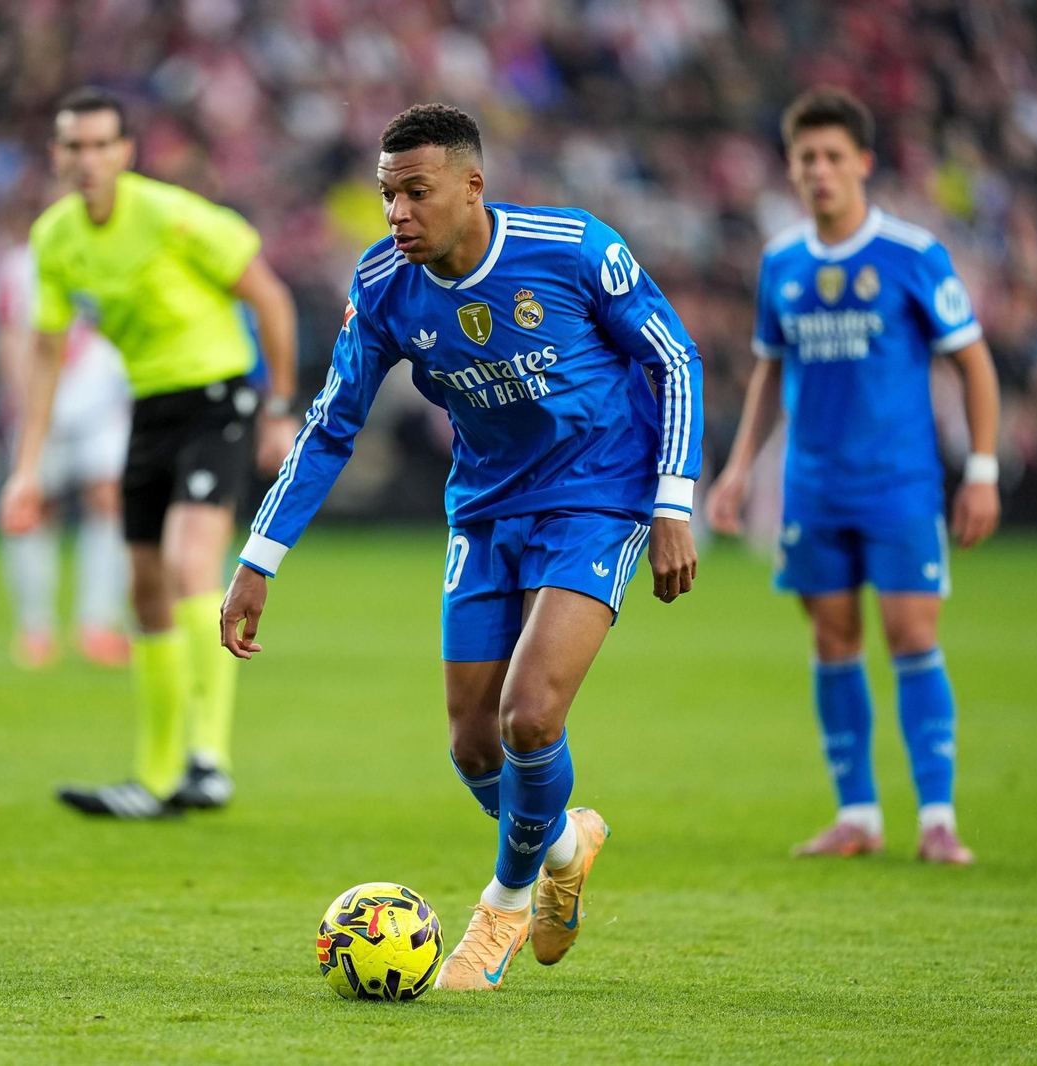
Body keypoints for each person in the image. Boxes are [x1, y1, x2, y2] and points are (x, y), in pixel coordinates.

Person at [220, 104, 703, 991]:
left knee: (528, 717)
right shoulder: (382, 288)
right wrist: (259, 559)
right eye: (385, 195)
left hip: (597, 495)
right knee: (474, 748)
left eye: (415, 193)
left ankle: (503, 909)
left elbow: (675, 357)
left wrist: (674, 502)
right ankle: (564, 840)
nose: (397, 213)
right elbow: (331, 428)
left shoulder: (571, 247)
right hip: (484, 511)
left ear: (472, 186)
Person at [706, 88, 998, 865]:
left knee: (912, 634)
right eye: (807, 159)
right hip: (813, 486)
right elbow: (771, 374)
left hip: (900, 485)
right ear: (793, 170)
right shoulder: (783, 262)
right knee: (833, 639)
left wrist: (982, 470)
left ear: (863, 163)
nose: (820, 171)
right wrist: (737, 472)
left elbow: (973, 362)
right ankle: (858, 815)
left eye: (834, 156)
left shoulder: (911, 253)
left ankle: (937, 817)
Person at [0, 87, 300, 818]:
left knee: (190, 563)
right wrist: (28, 467)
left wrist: (279, 408)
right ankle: (154, 777)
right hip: (149, 410)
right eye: (75, 146)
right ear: (58, 155)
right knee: (145, 589)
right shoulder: (55, 237)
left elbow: (271, 298)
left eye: (103, 145)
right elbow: (44, 352)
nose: (89, 159)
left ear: (126, 152)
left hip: (218, 397)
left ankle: (209, 759)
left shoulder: (175, 216)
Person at [0, 221, 133, 669]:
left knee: (110, 500)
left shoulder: (117, 254)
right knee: (33, 509)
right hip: (41, 407)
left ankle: (98, 623)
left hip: (101, 401)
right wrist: (28, 400)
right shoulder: (21, 266)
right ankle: (36, 628)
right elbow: (11, 335)